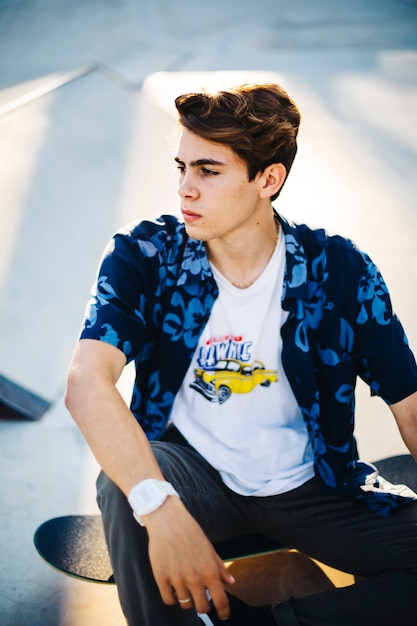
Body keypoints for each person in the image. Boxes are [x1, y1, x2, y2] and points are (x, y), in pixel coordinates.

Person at [65, 82, 417, 626]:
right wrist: (161, 508)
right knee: (127, 482)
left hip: (314, 485)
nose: (186, 188)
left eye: (208, 171)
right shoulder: (145, 255)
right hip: (195, 478)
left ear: (267, 179)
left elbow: (409, 405)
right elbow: (87, 382)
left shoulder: (341, 271)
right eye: (181, 167)